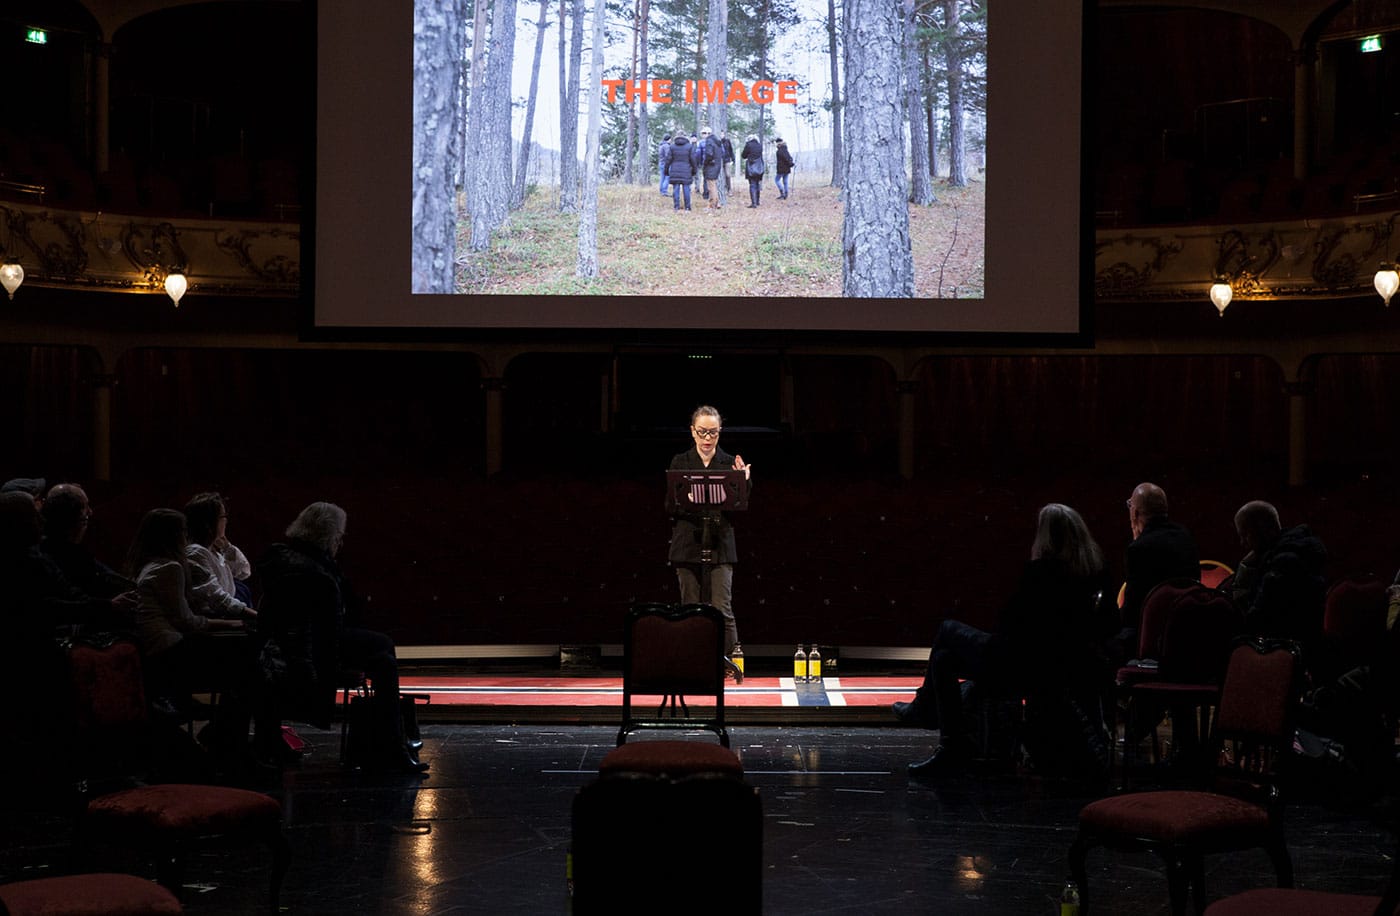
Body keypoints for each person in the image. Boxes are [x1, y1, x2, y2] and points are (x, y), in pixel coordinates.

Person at [900, 504, 1111, 779]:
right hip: (1054, 667)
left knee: (947, 629)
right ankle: (948, 743)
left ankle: (927, 715)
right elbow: (1108, 626)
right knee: (943, 659)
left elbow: (1009, 627)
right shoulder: (1095, 574)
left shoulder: (1041, 573)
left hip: (1020, 666)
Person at [258, 502, 428, 774]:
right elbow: (329, 632)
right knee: (384, 652)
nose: (340, 542)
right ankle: (393, 745)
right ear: (328, 535)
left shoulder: (282, 559)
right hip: (310, 652)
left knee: (383, 654)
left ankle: (395, 742)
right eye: (339, 535)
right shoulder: (319, 572)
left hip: (286, 647)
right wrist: (335, 670)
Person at [668, 406, 752, 681]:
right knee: (690, 607)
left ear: (720, 432)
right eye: (702, 432)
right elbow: (670, 504)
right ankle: (691, 661)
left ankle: (727, 662)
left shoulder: (729, 462)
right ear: (693, 432)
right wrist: (690, 502)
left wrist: (744, 481)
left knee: (722, 607)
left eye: (713, 432)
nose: (707, 438)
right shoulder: (681, 461)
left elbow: (740, 504)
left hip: (720, 543)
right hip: (687, 543)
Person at [1229, 500, 1327, 652]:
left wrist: (1245, 569)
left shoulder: (1283, 564)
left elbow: (1255, 620)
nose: (1243, 543)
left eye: (1245, 535)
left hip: (1284, 651)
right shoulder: (1295, 551)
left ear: (1264, 529)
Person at [1119, 482, 1199, 658]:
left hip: (1151, 636)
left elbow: (1133, 609)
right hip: (1188, 630)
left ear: (1135, 513)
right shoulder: (1185, 536)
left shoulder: (1139, 549)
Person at [40, 482, 135, 600]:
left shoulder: (72, 550)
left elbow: (108, 575)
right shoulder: (58, 555)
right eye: (86, 507)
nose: (90, 512)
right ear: (72, 515)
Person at [183, 492, 257, 620]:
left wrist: (227, 546)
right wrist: (256, 616)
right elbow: (217, 598)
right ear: (208, 523)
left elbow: (243, 572)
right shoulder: (196, 553)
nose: (226, 521)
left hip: (226, 614)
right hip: (216, 619)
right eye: (222, 516)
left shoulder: (214, 552)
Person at [662, 131, 699, 211]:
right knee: (686, 189)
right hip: (686, 170)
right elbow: (693, 160)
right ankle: (687, 207)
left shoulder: (672, 146)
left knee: (676, 189)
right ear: (685, 136)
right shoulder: (689, 146)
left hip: (675, 170)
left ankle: (676, 207)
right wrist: (694, 171)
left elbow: (668, 160)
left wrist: (666, 170)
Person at [697, 126, 723, 210]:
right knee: (713, 185)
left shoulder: (709, 141)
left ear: (708, 133)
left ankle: (712, 205)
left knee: (711, 186)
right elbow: (722, 153)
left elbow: (709, 154)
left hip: (710, 166)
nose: (703, 135)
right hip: (717, 165)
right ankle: (717, 203)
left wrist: (705, 163)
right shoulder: (717, 142)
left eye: (704, 133)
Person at [741, 135, 764, 207]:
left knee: (752, 184)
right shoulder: (760, 146)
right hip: (759, 167)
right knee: (757, 184)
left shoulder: (748, 145)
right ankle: (757, 201)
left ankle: (754, 203)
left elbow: (743, 155)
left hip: (751, 167)